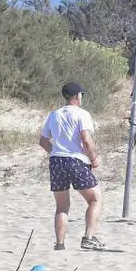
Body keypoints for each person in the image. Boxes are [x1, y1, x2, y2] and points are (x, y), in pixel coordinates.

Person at [40, 81, 104, 251]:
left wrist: (56, 151)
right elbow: (85, 139)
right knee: (95, 199)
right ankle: (88, 238)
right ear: (77, 96)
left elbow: (43, 141)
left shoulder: (54, 115)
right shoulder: (82, 114)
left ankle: (60, 243)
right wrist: (93, 158)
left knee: (61, 206)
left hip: (56, 161)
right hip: (76, 160)